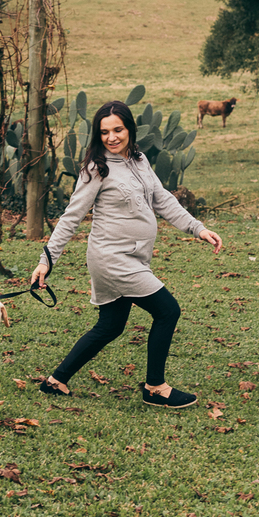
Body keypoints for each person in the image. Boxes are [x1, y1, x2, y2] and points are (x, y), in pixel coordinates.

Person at [29, 100, 223, 409]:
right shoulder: (97, 169)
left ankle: (56, 381)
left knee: (110, 326)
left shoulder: (139, 159)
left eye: (117, 130)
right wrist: (46, 261)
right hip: (112, 259)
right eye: (104, 132)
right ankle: (155, 387)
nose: (112, 137)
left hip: (134, 257)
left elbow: (162, 199)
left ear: (130, 129)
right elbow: (71, 217)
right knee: (167, 311)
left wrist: (197, 228)